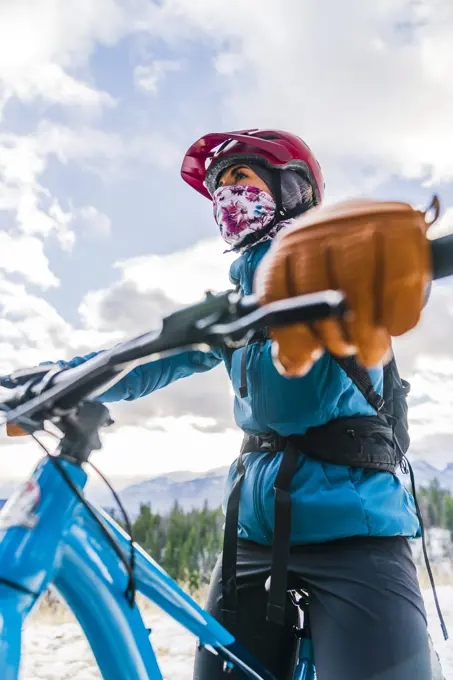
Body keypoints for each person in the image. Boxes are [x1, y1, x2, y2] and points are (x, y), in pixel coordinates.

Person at [20, 130, 443, 679]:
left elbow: (387, 276)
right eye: (218, 187)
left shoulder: (336, 271)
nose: (226, 195)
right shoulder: (231, 310)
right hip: (252, 538)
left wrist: (385, 244)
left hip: (356, 535)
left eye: (241, 178)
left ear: (292, 189)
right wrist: (56, 378)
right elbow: (144, 359)